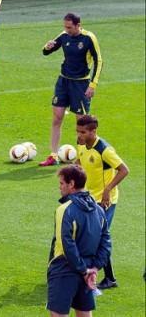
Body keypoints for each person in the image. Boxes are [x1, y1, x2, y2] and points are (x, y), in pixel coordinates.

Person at [39, 13, 102, 166]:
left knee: (81, 124)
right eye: (64, 27)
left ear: (78, 25)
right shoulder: (64, 35)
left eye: (69, 27)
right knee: (57, 117)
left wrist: (93, 85)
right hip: (63, 81)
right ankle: (53, 155)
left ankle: (82, 158)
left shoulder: (89, 38)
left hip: (81, 84)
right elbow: (47, 51)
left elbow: (99, 61)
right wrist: (46, 47)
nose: (66, 30)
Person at [47, 165, 111, 317]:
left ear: (71, 184)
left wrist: (83, 270)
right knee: (84, 313)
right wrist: (94, 268)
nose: (59, 187)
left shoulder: (64, 210)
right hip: (88, 269)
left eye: (62, 183)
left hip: (64, 268)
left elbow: (66, 244)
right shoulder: (99, 210)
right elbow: (106, 242)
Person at [75, 116, 128, 289]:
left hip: (106, 202)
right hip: (89, 198)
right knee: (90, 236)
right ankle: (96, 274)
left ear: (93, 131)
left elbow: (123, 170)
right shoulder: (81, 145)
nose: (79, 135)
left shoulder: (104, 150)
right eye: (78, 131)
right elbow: (80, 162)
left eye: (83, 132)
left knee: (98, 237)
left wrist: (107, 190)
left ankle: (109, 278)